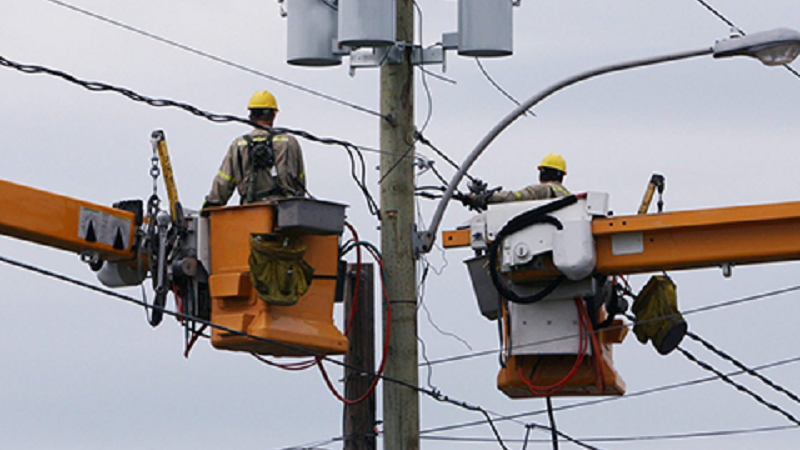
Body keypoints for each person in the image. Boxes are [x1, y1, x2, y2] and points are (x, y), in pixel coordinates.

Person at [204, 90, 306, 207]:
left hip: (251, 214)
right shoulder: (290, 143)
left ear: (251, 117)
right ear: (273, 115)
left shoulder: (238, 145)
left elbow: (223, 184)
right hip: (286, 213)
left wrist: (209, 206)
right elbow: (300, 184)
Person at [462, 153, 570, 211]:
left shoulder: (542, 190)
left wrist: (483, 198)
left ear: (542, 173)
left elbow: (513, 197)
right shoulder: (568, 196)